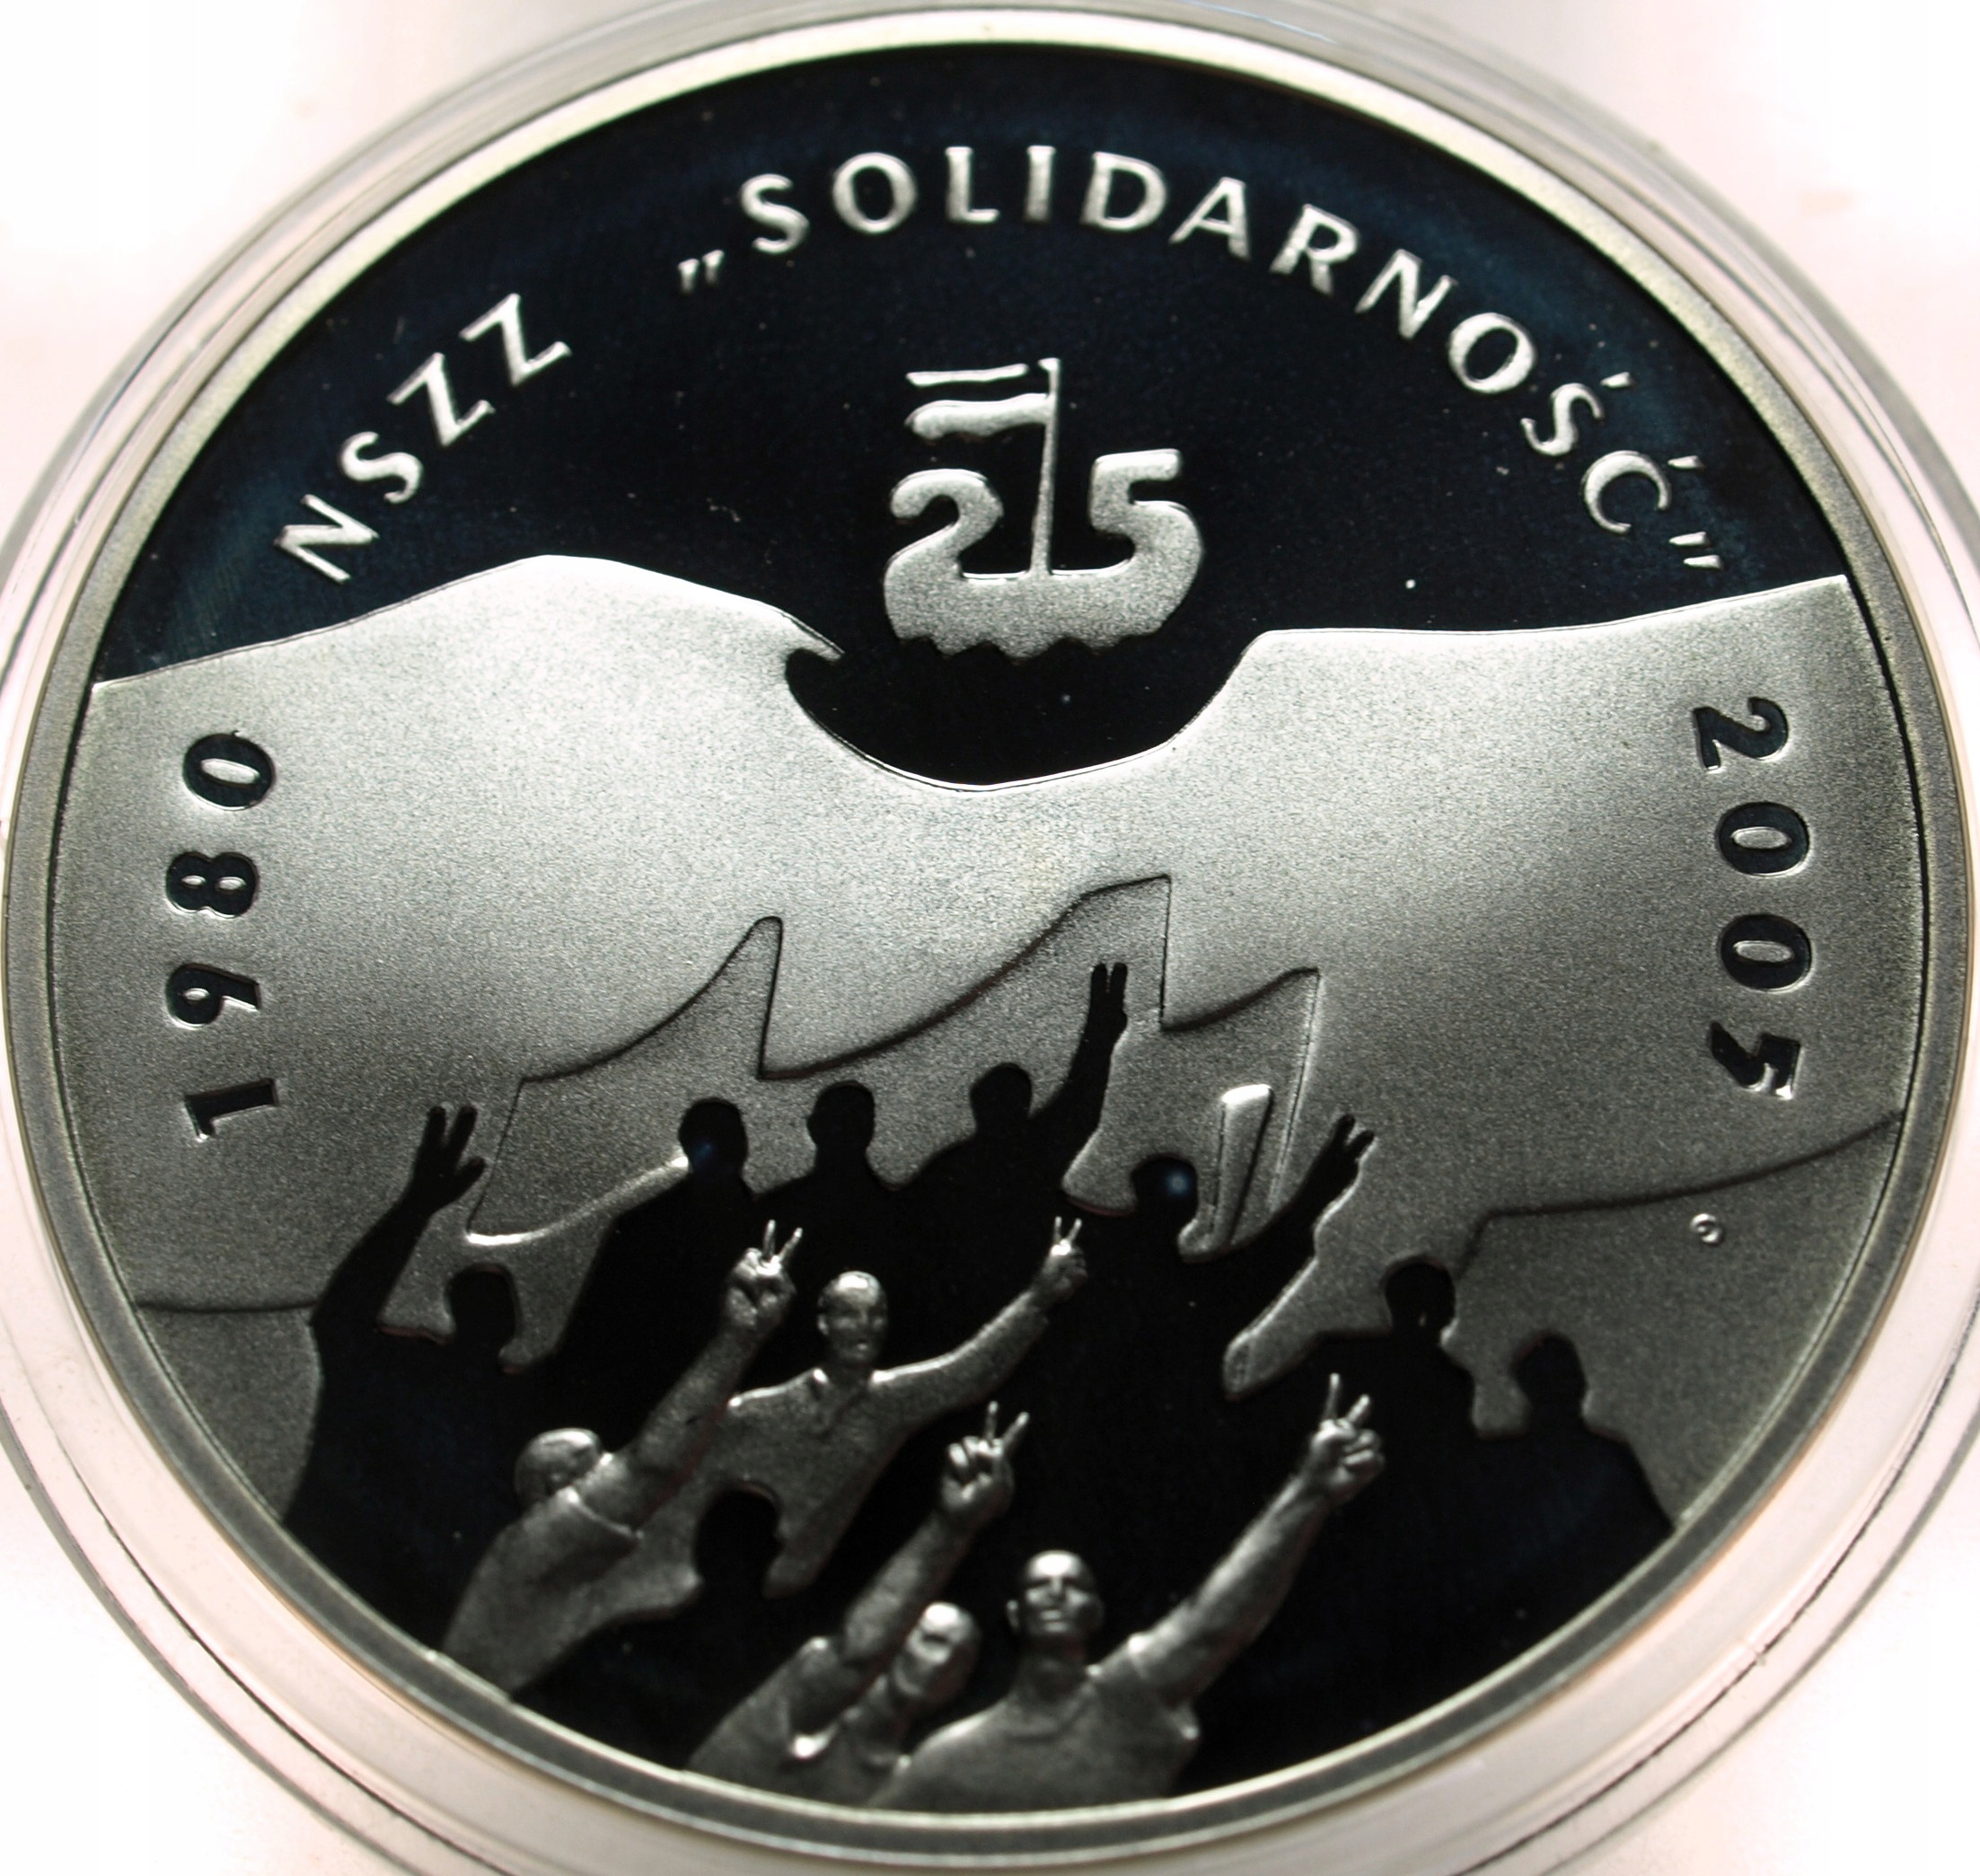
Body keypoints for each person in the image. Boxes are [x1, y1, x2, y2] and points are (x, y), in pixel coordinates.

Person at [875, 1377, 1383, 1811]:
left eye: (1072, 1587)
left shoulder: (1124, 1704)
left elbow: (1211, 1623)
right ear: (1015, 1614)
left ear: (1095, 1613)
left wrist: (1307, 1493)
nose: (1055, 1595)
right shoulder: (949, 1759)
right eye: (1039, 1587)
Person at [589, 1216, 1088, 1625]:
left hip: (796, 1604)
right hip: (690, 1597)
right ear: (824, 1323)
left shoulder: (891, 1402)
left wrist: (1038, 1298)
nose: (864, 1327)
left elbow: (966, 1373)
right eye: (850, 1314)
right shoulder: (751, 1414)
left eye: (876, 1315)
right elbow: (667, 1489)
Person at [443, 1226, 798, 1694]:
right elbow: (648, 1468)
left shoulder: (564, 1575)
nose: (611, 1467)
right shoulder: (531, 1546)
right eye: (592, 1468)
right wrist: (738, 1339)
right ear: (554, 1492)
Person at [690, 1403, 1026, 1804]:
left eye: (961, 1660)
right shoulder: (803, 1709)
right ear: (896, 1643)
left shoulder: (910, 1783)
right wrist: (951, 1528)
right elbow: (858, 1652)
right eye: (932, 1641)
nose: (941, 1664)